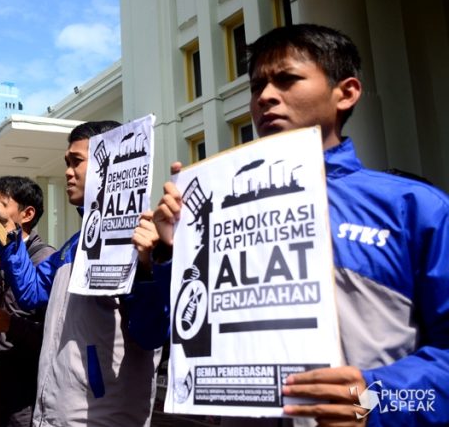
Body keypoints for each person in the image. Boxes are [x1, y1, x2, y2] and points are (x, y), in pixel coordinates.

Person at [151, 24, 449, 426]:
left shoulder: (414, 208)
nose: (265, 97)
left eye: (287, 79)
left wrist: (375, 401)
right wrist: (176, 251)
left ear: (346, 92)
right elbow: (171, 332)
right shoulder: (212, 209)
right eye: (257, 87)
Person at [0, 121, 168, 426]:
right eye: (66, 163)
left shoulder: (141, 240)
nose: (67, 171)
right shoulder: (73, 247)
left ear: (111, 162)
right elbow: (31, 294)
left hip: (102, 417)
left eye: (76, 161)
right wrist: (8, 231)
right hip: (54, 412)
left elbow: (151, 333)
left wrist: (148, 268)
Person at [0, 176, 56, 427]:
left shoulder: (46, 260)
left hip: (25, 395)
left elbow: (53, 335)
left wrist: (10, 325)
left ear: (27, 213)